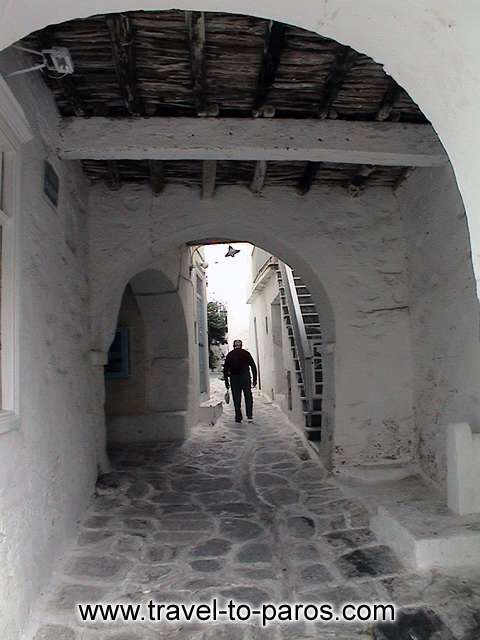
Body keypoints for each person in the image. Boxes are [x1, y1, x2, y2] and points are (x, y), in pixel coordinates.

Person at [223, 339, 258, 423]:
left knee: (236, 398)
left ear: (233, 346)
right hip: (245, 378)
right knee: (248, 397)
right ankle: (249, 416)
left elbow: (225, 370)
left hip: (234, 379)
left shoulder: (230, 355)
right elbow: (253, 366)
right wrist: (254, 379)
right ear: (241, 345)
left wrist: (227, 383)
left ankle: (238, 416)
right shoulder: (246, 353)